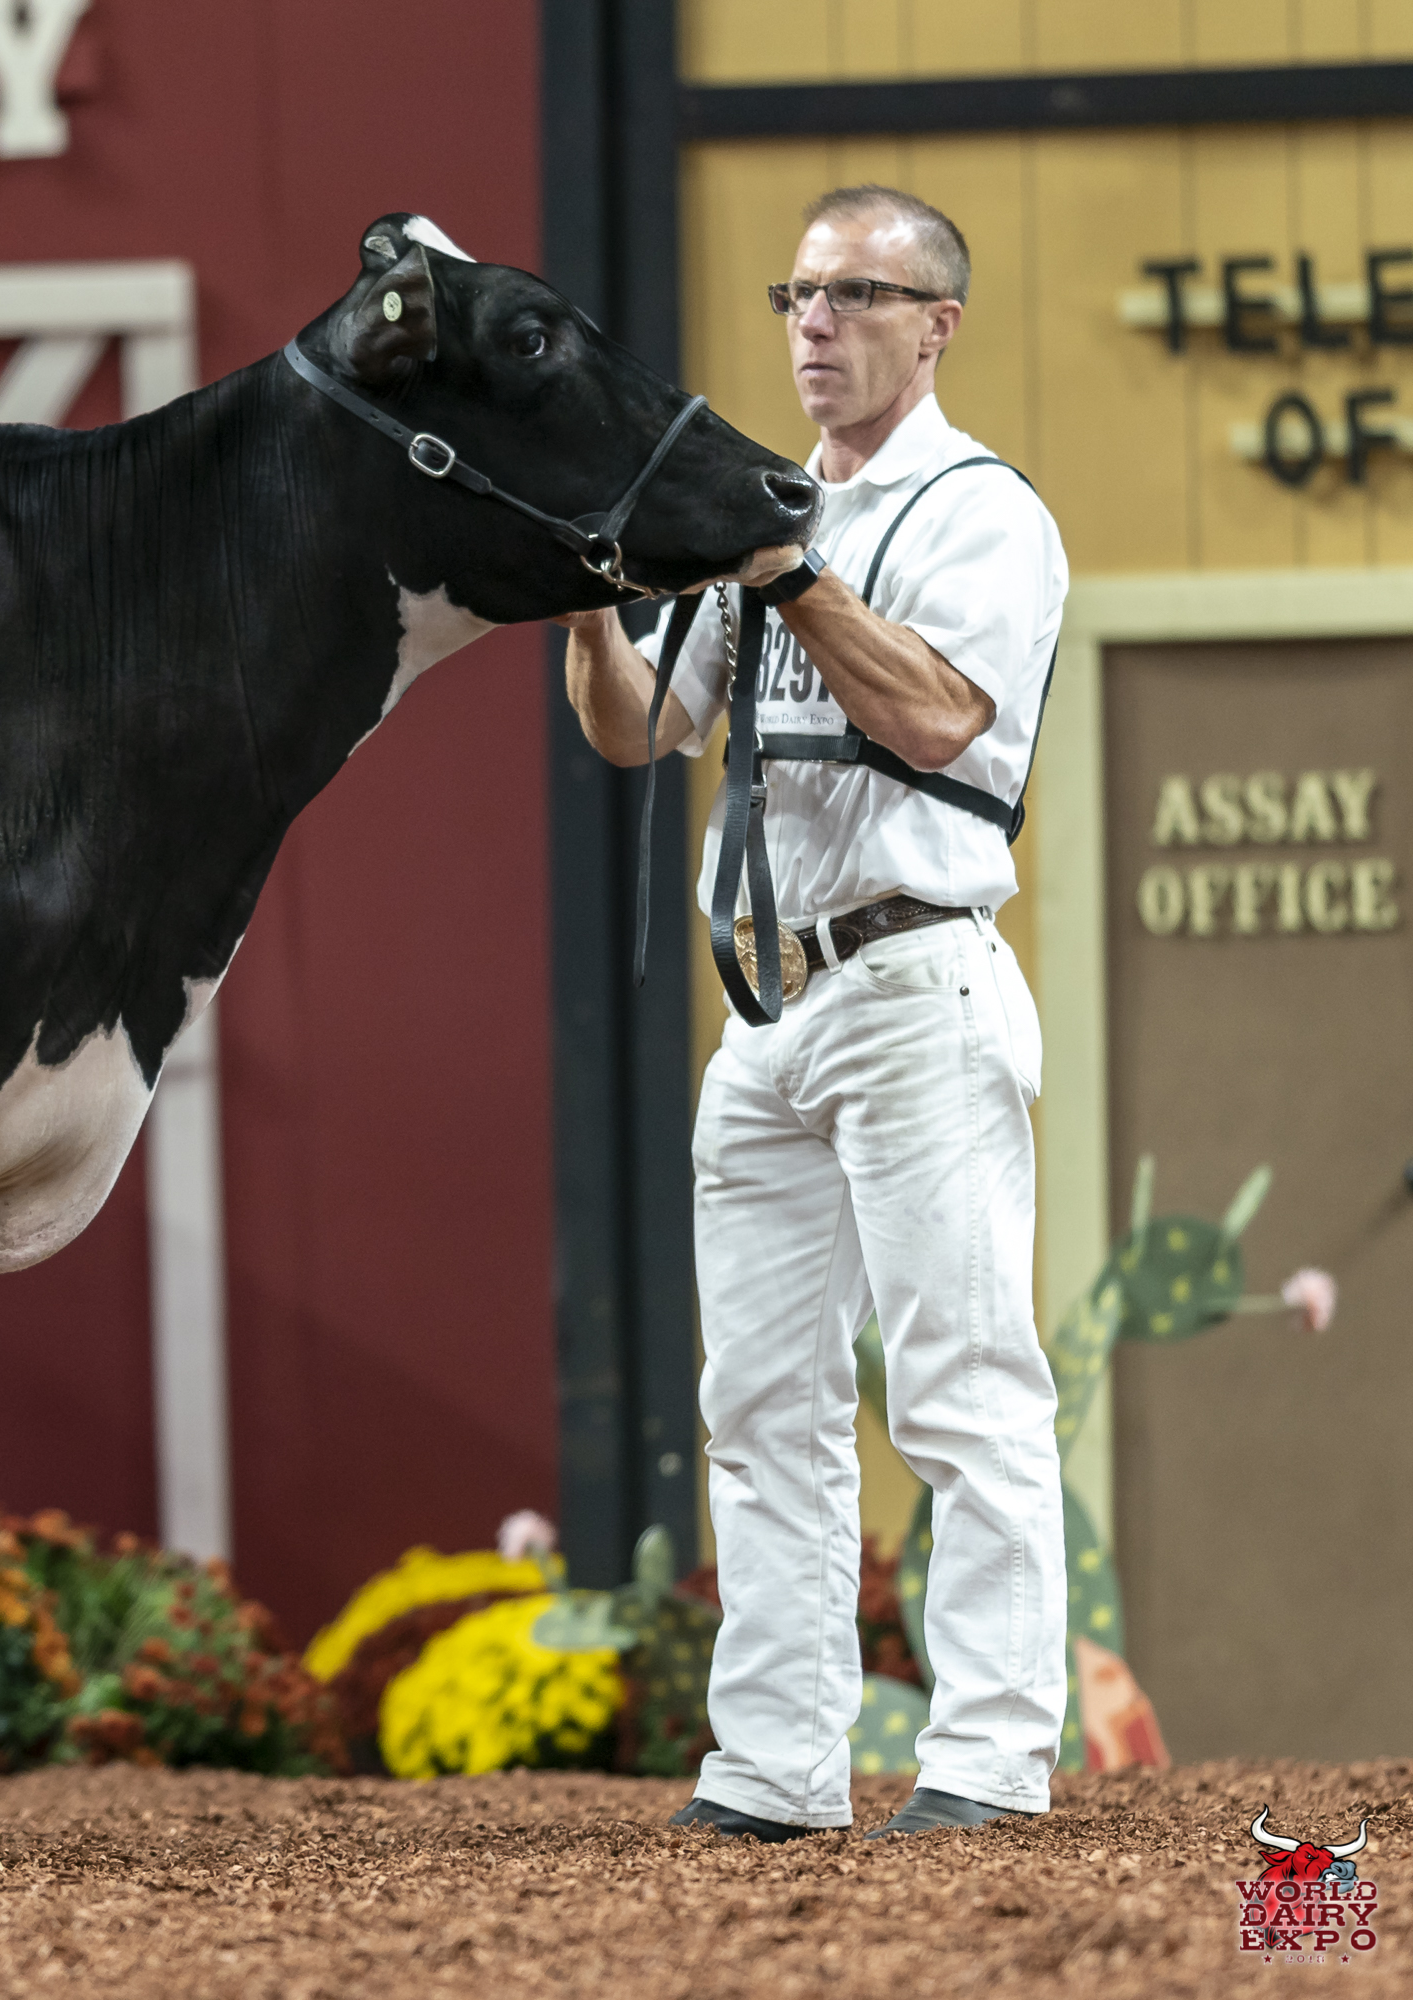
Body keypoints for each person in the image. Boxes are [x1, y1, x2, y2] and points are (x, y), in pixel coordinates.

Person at [558, 185, 1069, 1841]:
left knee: (960, 1384)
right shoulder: (763, 515)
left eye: (858, 294)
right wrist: (584, 594)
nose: (817, 324)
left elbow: (934, 719)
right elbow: (639, 729)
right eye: (799, 295)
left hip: (917, 975)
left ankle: (989, 1758)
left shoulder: (983, 513)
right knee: (760, 1400)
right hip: (770, 1002)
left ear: (938, 327)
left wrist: (786, 570)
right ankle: (776, 1768)